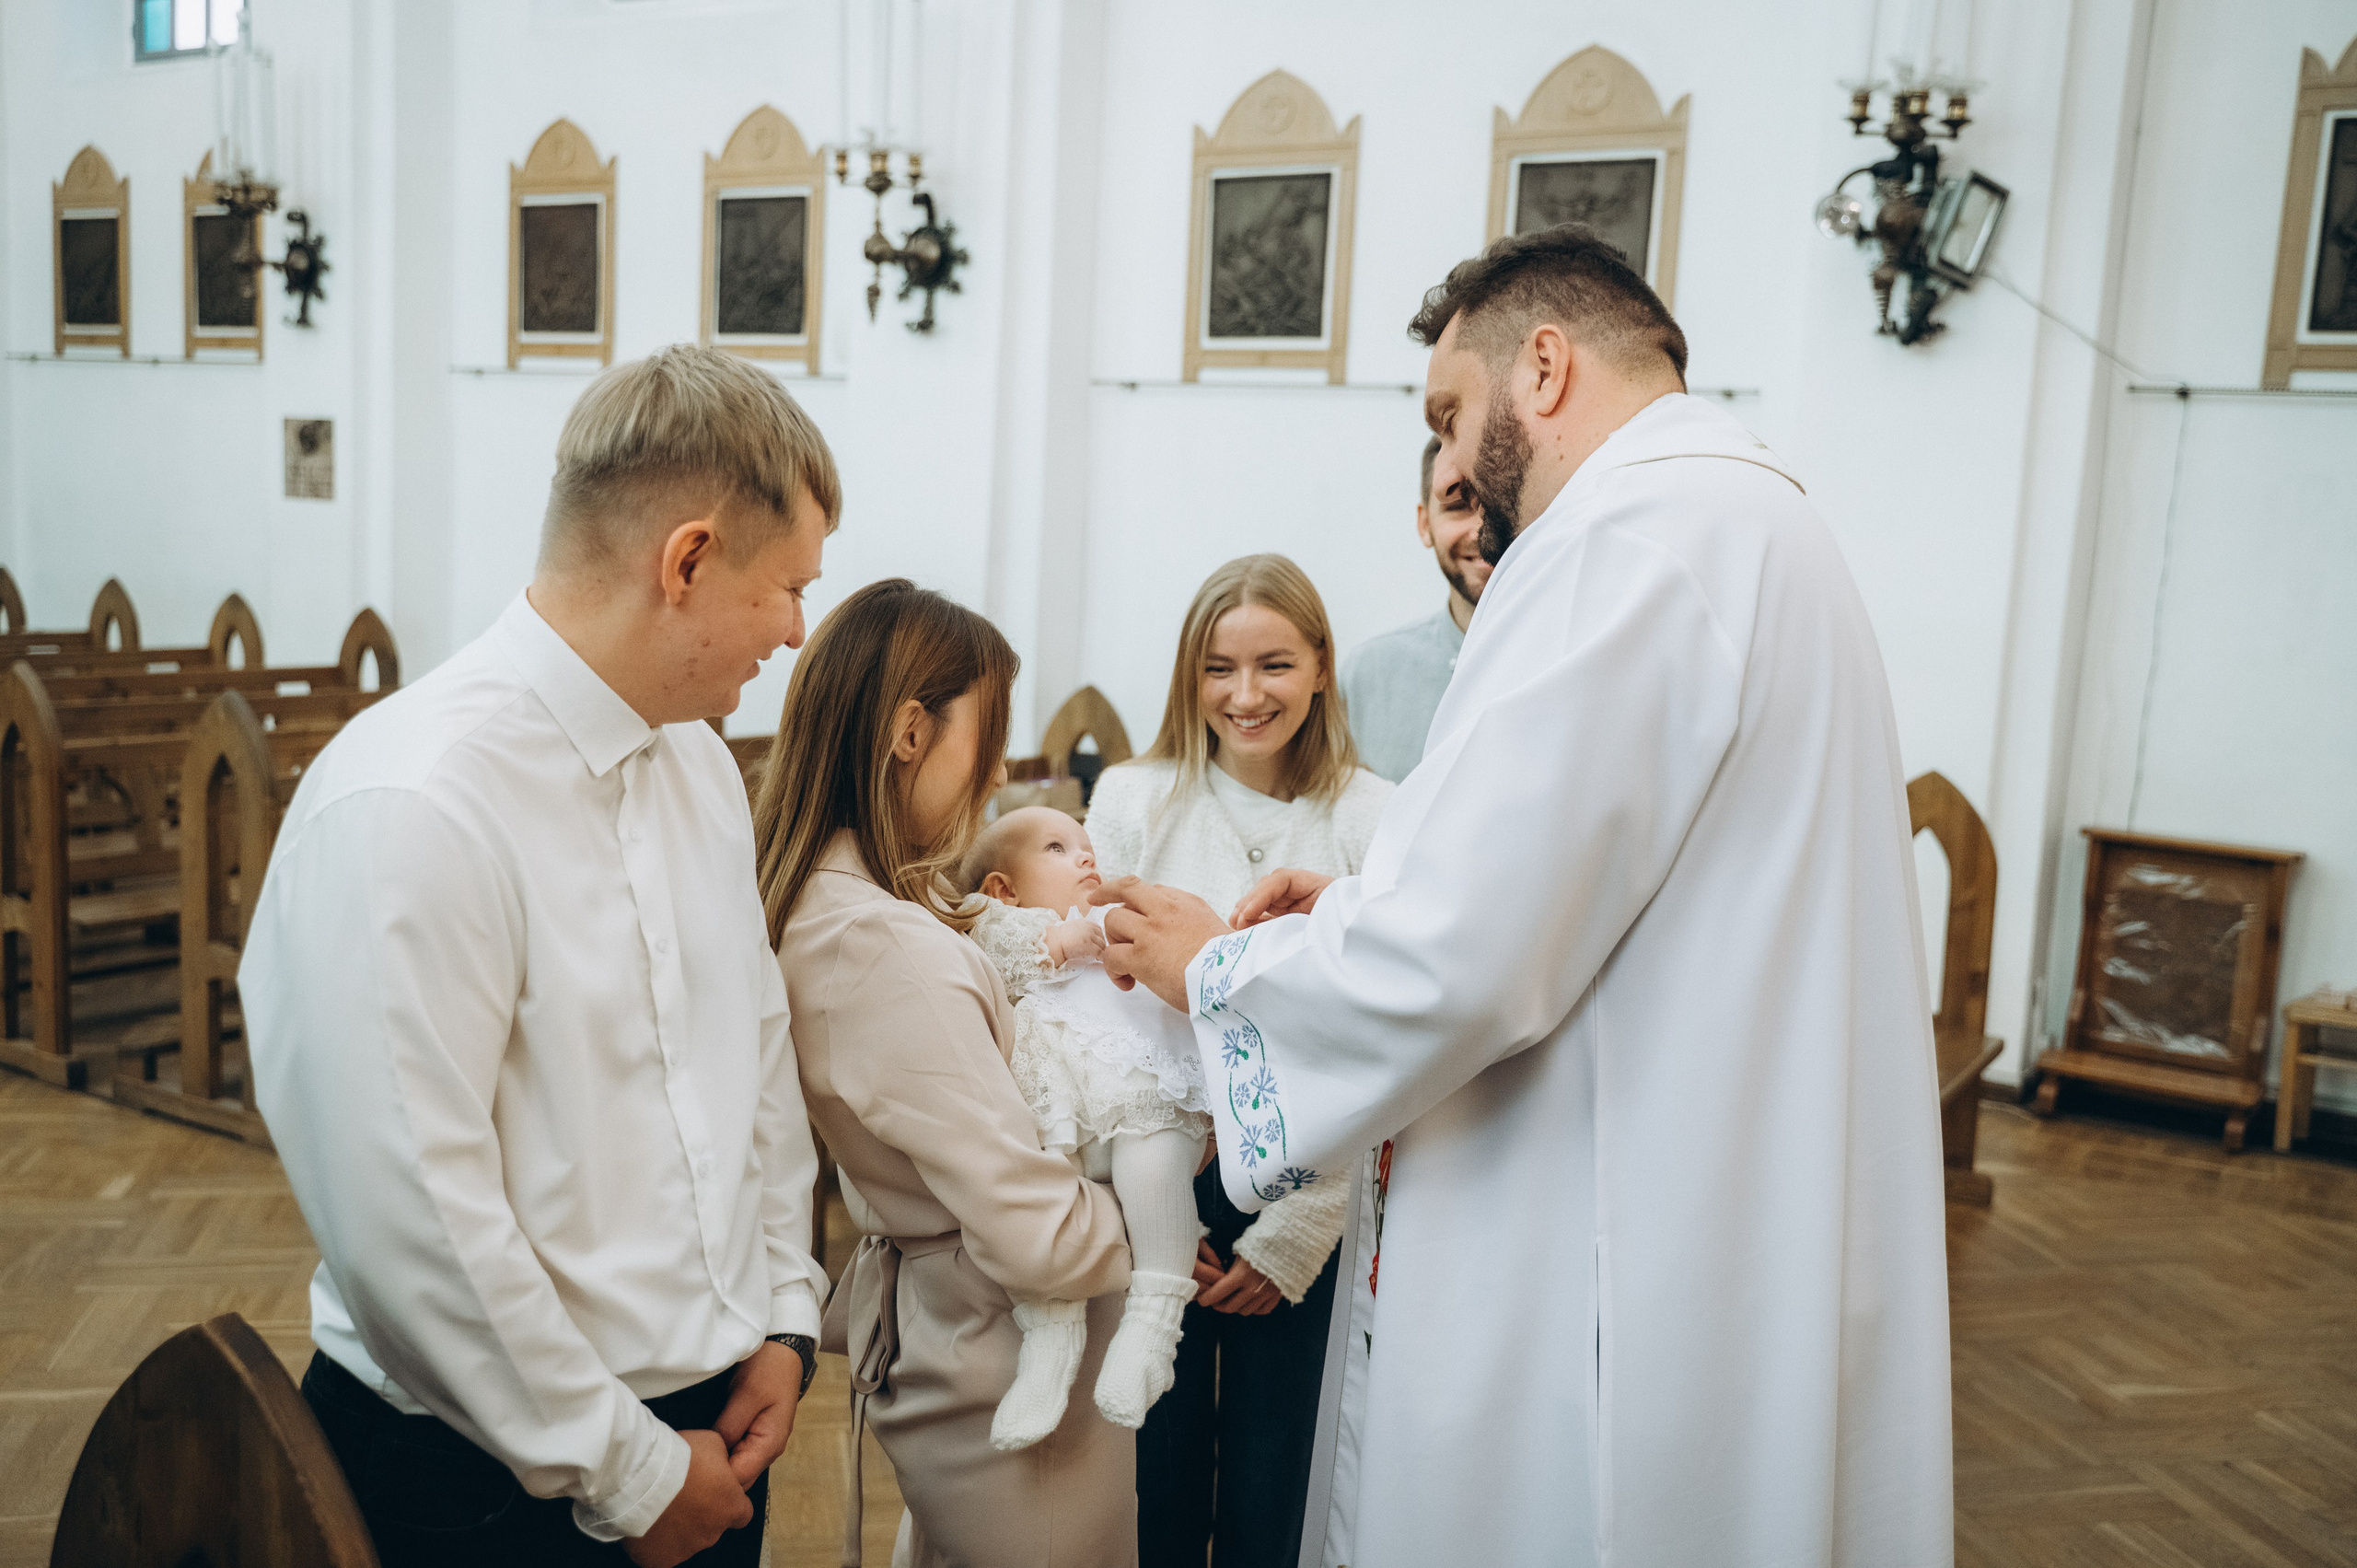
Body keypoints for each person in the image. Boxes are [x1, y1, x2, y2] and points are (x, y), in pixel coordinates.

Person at [1096, 224, 1955, 1567]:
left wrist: (1217, 965)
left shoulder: (1615, 541)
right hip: (1718, 1176)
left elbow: (1464, 956)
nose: (1453, 453)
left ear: (1543, 368)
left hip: (1607, 1230)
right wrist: (1355, 914)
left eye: (1453, 408)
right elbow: (1588, 886)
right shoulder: (1754, 516)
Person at [246, 344, 838, 1568]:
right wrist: (622, 1463)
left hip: (712, 1426)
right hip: (482, 1474)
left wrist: (786, 1314)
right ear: (685, 560)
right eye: (785, 587)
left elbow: (756, 1054)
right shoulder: (414, 800)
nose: (796, 630)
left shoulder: (697, 770)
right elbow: (410, 1212)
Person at [760, 581, 1138, 1567]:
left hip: (964, 1332)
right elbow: (1043, 1236)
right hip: (1001, 1352)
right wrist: (1172, 1186)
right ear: (910, 734)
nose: (1000, 772)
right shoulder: (880, 944)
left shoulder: (855, 904)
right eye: (992, 735)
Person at [1084, 554, 1392, 1568]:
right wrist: (1153, 1211)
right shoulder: (1135, 801)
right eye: (1219, 667)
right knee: (1155, 1479)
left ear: (1318, 668)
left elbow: (1378, 1040)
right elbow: (1097, 1004)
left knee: (1276, 1482)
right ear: (1189, 673)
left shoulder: (1369, 817)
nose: (1246, 695)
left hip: (1307, 1190)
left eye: (1273, 664)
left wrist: (1293, 1234)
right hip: (1161, 1181)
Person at [958, 807, 1213, 1446]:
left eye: (1087, 845)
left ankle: (1154, 1323)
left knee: (1154, 1165)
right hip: (1056, 1110)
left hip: (1136, 1088)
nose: (1084, 858)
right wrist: (1053, 942)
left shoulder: (1112, 920)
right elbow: (985, 949)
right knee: (1037, 1202)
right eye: (1057, 846)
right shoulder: (996, 923)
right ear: (1002, 888)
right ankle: (1047, 1337)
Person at [1339, 436, 1490, 782]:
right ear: (1425, 524)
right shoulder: (1366, 676)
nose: (1482, 529)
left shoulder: (1584, 663)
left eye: (1500, 507)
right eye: (1458, 507)